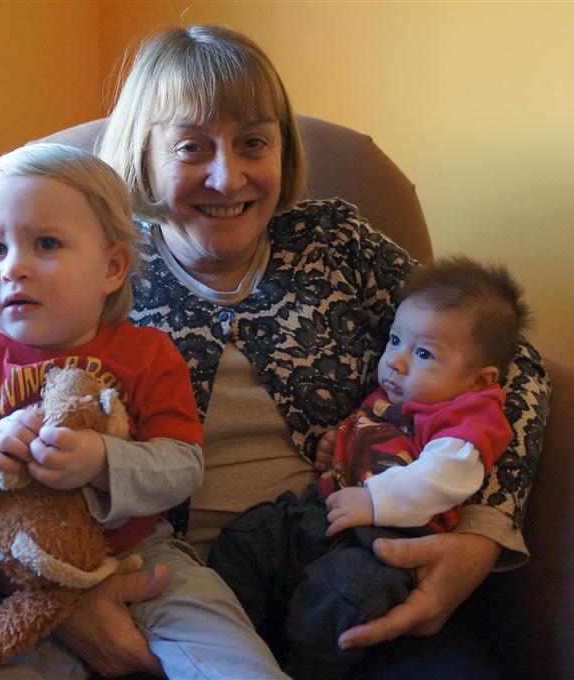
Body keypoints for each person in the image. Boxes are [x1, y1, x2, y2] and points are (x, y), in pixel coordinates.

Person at [0, 24, 550, 678]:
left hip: (353, 567)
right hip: (158, 590)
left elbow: (507, 362)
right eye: (192, 147)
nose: (228, 178)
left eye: (253, 142)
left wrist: (481, 533)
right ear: (144, 156)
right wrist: (64, 599)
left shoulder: (337, 243)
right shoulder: (77, 260)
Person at [0, 143, 288, 679]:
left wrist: (102, 462)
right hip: (16, 580)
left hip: (141, 555)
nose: (13, 268)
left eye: (46, 243)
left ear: (112, 267)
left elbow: (183, 466)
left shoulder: (147, 354)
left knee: (234, 661)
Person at [206, 256, 533, 679]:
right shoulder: (398, 392)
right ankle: (231, 647)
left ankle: (306, 669)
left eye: (423, 353)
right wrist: (337, 446)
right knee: (247, 540)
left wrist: (376, 499)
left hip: (386, 542)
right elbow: (369, 436)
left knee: (343, 595)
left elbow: (447, 476)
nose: (396, 361)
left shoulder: (467, 415)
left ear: (479, 381)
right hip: (321, 514)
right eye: (395, 340)